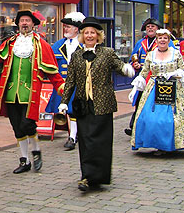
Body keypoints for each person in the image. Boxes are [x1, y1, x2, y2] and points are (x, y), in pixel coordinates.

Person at [0, 10, 65, 174]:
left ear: (33, 24)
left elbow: (53, 72)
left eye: (27, 20)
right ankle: (24, 160)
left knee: (28, 125)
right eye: (22, 21)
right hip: (11, 93)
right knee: (17, 128)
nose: (24, 23)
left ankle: (36, 151)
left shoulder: (41, 45)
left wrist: (64, 91)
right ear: (18, 24)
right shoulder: (11, 43)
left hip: (29, 94)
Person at [58, 17, 135, 191]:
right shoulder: (76, 55)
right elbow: (70, 81)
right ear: (82, 35)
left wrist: (126, 69)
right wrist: (64, 102)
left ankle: (99, 176)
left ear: (98, 35)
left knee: (100, 141)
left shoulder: (107, 52)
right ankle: (86, 177)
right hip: (83, 105)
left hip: (103, 104)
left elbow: (117, 65)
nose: (90, 35)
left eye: (93, 32)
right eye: (86, 32)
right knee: (85, 141)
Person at [130, 29, 184, 155]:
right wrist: (136, 86)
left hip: (172, 87)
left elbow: (183, 68)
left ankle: (173, 144)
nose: (162, 40)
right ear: (157, 41)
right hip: (154, 88)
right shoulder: (151, 54)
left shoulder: (175, 54)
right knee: (150, 117)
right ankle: (157, 144)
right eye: (160, 38)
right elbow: (145, 71)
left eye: (165, 38)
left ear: (168, 41)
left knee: (174, 118)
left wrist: (175, 73)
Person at [124, 18, 175, 136]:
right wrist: (134, 64)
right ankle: (135, 127)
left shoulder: (165, 41)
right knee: (140, 102)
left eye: (153, 26)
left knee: (156, 104)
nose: (150, 28)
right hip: (142, 77)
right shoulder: (140, 43)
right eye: (148, 27)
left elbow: (174, 58)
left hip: (158, 78)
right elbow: (134, 56)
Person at [45, 11, 85, 151]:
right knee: (68, 110)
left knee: (75, 110)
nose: (65, 29)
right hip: (62, 84)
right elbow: (49, 62)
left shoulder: (84, 45)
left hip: (80, 84)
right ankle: (74, 135)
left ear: (76, 29)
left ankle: (73, 136)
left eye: (68, 27)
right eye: (65, 27)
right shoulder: (58, 45)